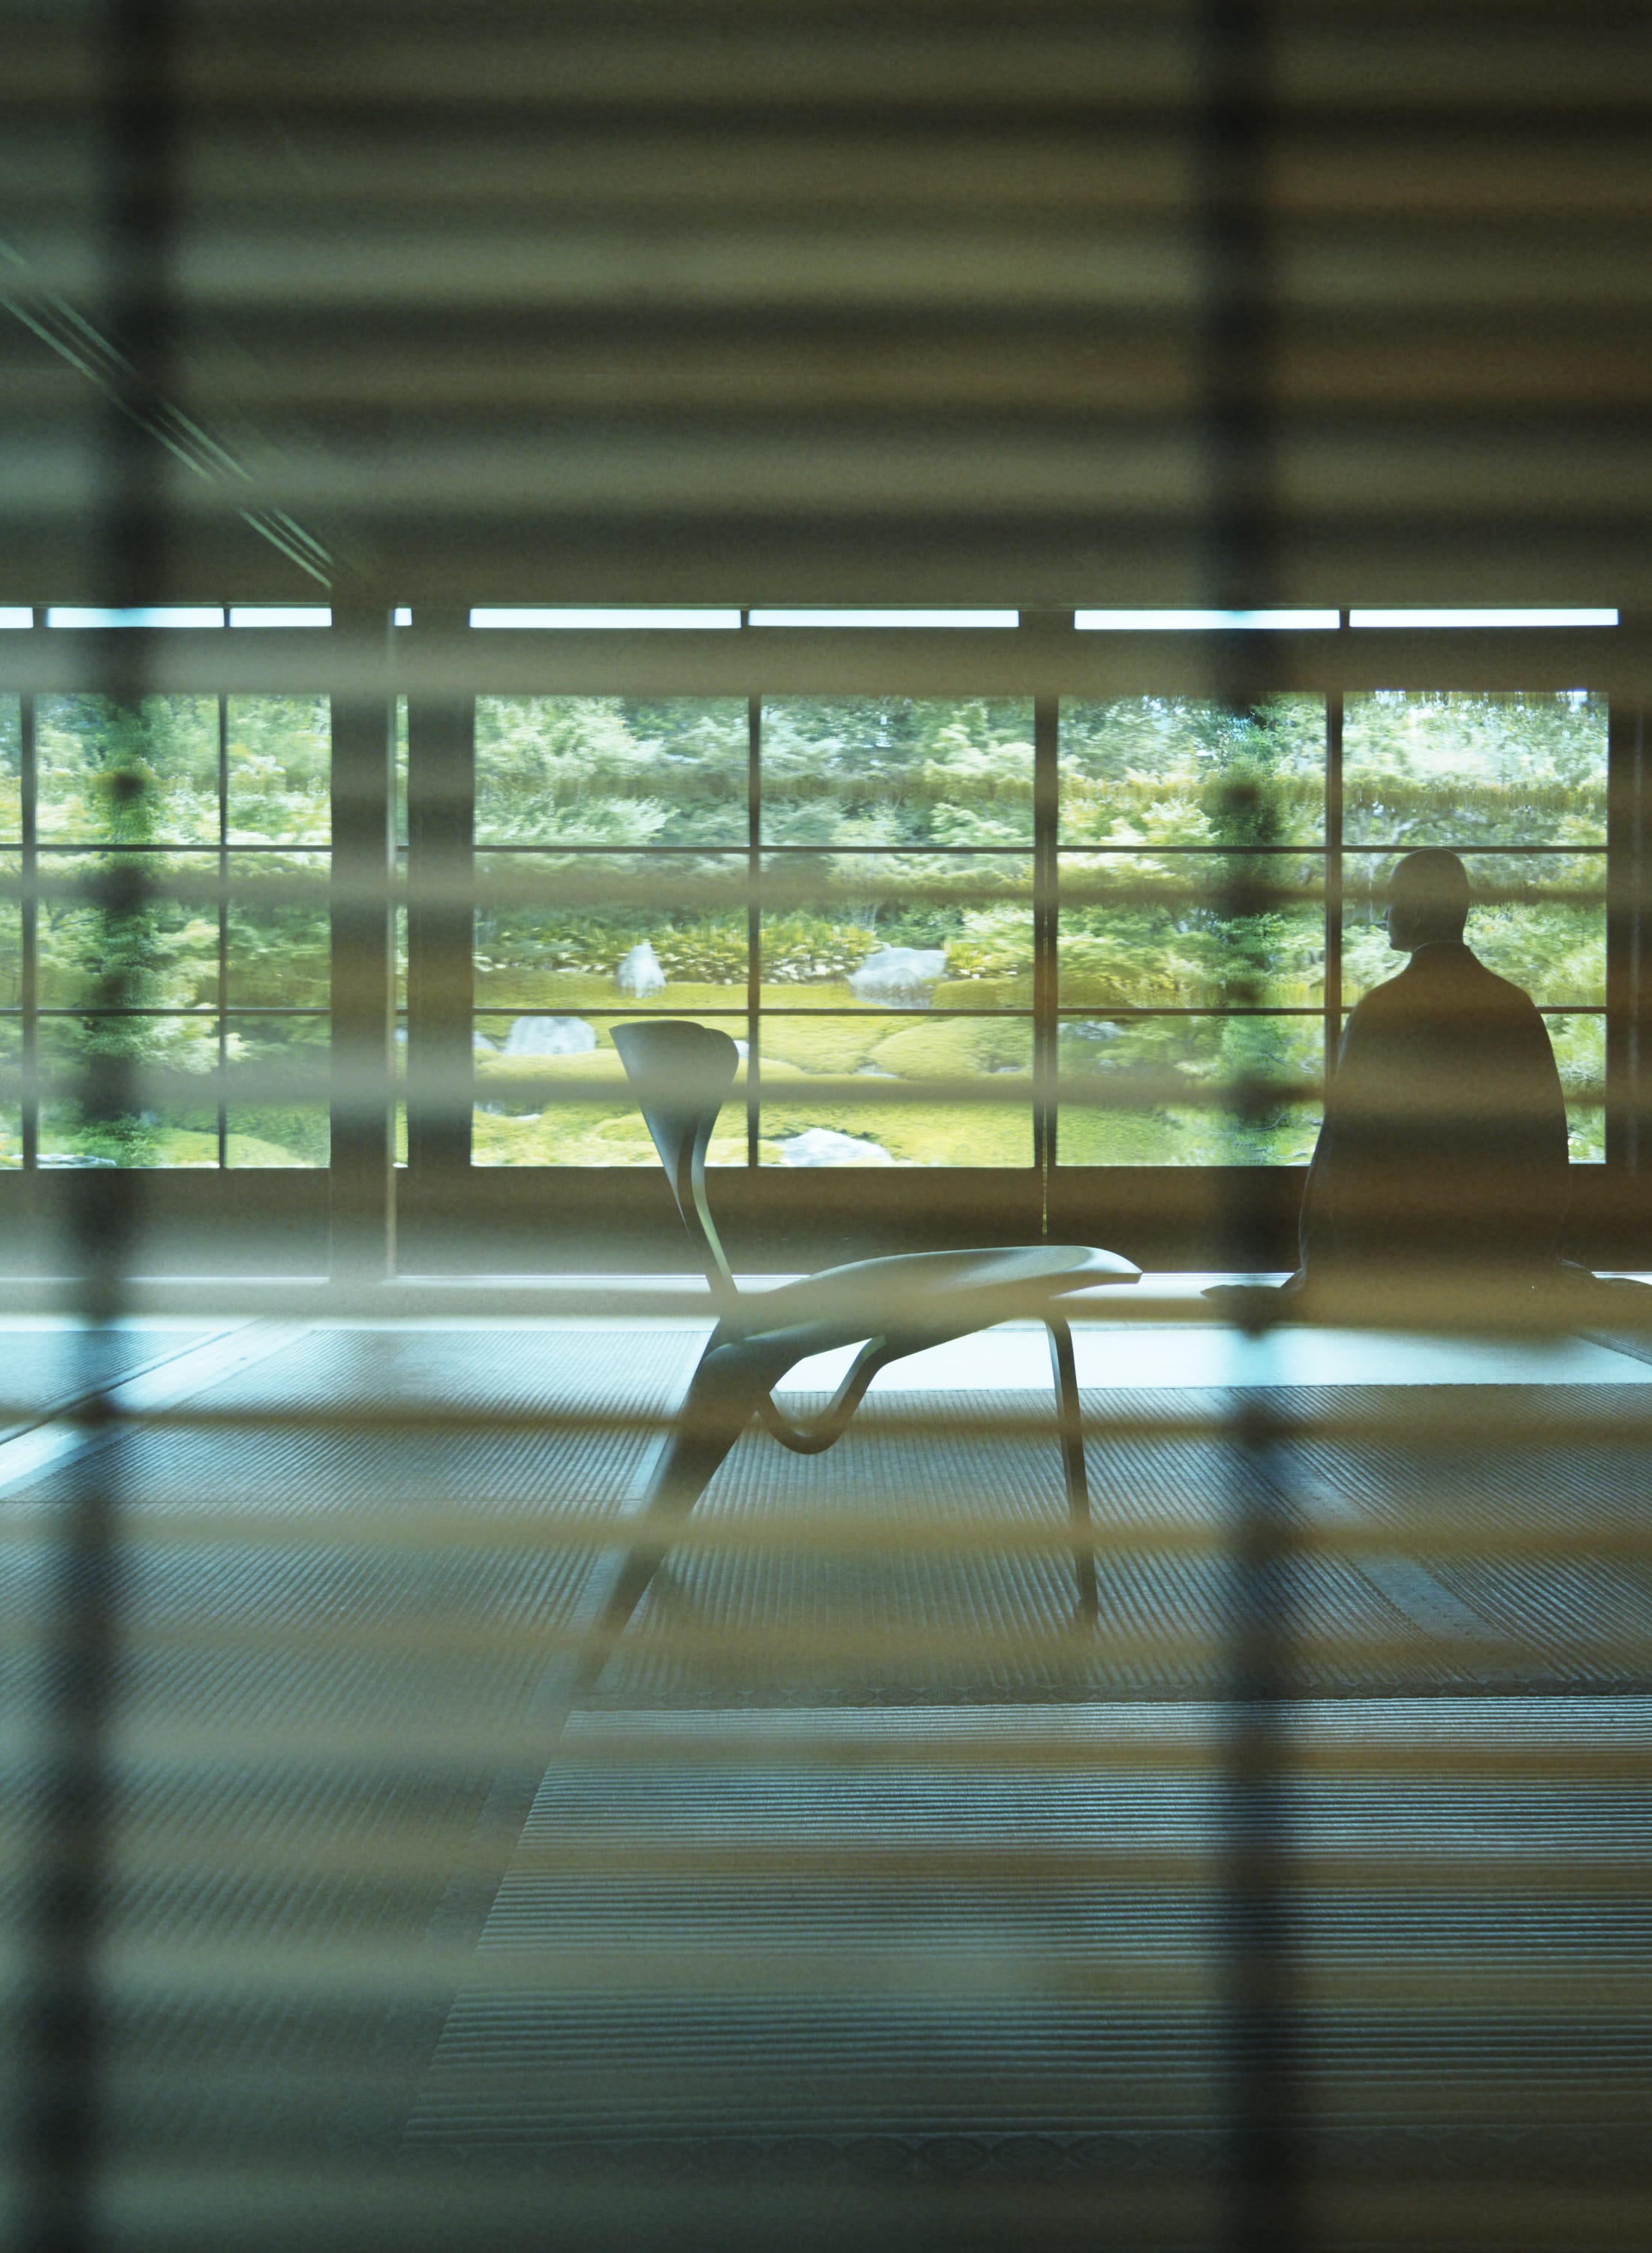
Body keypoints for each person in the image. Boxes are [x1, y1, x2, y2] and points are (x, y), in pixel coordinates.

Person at [1210, 849, 1572, 1308]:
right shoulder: (1515, 1005)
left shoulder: (1382, 1009)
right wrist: (1531, 1251)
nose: (1384, 913)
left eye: (1393, 902)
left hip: (1400, 1253)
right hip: (1497, 1254)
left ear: (1418, 911)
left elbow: (1344, 1148)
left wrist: (1320, 1262)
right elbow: (1548, 1141)